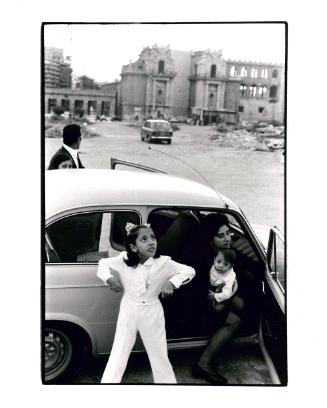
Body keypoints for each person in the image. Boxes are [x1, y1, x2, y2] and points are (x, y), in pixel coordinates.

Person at [97, 222, 196, 384]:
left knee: (159, 354)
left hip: (152, 311)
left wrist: (172, 282)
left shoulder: (163, 263)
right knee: (119, 350)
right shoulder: (124, 259)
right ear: (134, 247)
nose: (151, 242)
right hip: (128, 309)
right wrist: (109, 278)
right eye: (144, 239)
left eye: (153, 237)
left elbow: (189, 270)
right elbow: (102, 264)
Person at [180, 213, 255, 384]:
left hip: (215, 299)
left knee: (242, 304)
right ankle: (203, 364)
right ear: (210, 238)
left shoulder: (225, 252)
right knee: (235, 321)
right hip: (199, 305)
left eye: (228, 233)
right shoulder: (203, 260)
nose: (227, 238)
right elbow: (200, 294)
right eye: (220, 235)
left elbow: (246, 267)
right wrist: (228, 299)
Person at [209, 248, 244, 316]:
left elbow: (226, 294)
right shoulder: (214, 267)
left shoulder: (228, 278)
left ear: (231, 267)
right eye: (219, 261)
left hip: (228, 291)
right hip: (217, 286)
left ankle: (228, 306)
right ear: (214, 259)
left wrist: (215, 296)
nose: (221, 266)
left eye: (225, 264)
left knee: (217, 309)